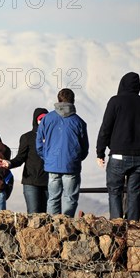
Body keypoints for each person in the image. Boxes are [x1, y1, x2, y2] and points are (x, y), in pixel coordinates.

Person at [96, 72, 140, 221]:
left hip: (118, 156)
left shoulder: (115, 102)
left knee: (115, 191)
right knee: (134, 192)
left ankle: (117, 228)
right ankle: (133, 228)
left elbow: (106, 128)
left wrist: (100, 152)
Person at [36, 88, 88, 217]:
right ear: (73, 101)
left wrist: (47, 157)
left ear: (58, 100)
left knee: (53, 198)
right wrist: (76, 158)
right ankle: (67, 225)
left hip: (52, 165)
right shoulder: (79, 122)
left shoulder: (47, 119)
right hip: (71, 165)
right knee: (70, 198)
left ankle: (53, 227)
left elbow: (39, 143)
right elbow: (84, 147)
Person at [0, 108, 49, 214]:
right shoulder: (27, 137)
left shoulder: (53, 138)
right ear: (36, 120)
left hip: (49, 182)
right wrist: (10, 163)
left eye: (46, 119)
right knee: (33, 214)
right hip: (31, 182)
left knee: (48, 215)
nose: (43, 122)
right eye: (41, 119)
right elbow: (20, 158)